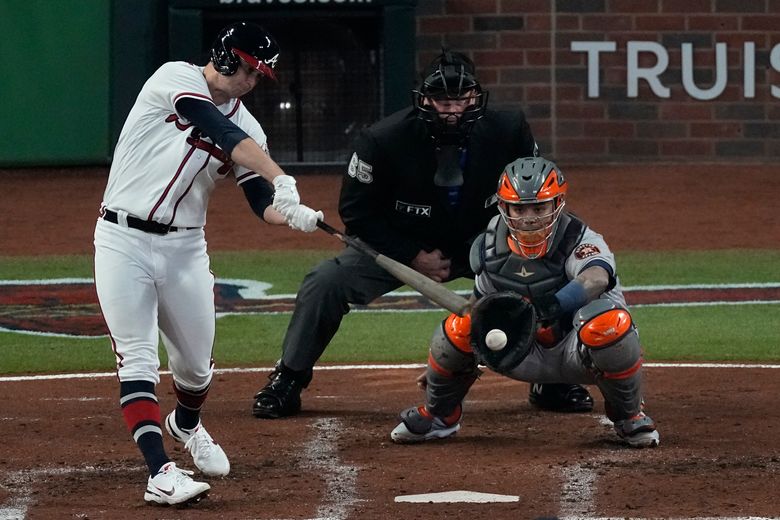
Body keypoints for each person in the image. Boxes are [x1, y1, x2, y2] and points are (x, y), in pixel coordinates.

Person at [251, 49, 591, 419]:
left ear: (475, 97)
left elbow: (533, 197)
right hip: (399, 244)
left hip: (486, 240)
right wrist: (413, 254)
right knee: (326, 281)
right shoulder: (382, 140)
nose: (452, 110)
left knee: (550, 272)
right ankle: (289, 376)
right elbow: (356, 213)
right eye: (443, 100)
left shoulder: (508, 130)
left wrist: (499, 251)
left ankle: (552, 379)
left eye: (461, 99)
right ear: (425, 99)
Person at [94, 22, 322, 506]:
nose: (253, 81)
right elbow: (214, 126)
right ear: (225, 58)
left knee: (196, 370)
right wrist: (280, 173)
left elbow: (260, 201)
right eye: (250, 70)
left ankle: (187, 424)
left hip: (184, 250)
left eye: (260, 75)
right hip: (121, 239)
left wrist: (294, 216)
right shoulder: (173, 78)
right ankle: (161, 472)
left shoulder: (252, 129)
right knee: (136, 358)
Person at [390, 156, 660, 448]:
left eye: (539, 207)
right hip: (520, 351)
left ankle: (628, 414)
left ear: (557, 205)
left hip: (579, 353)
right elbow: (479, 307)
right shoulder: (490, 247)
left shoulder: (580, 239)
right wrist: (445, 367)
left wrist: (550, 306)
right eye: (519, 208)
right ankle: (440, 415)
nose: (528, 217)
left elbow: (594, 279)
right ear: (504, 207)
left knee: (608, 324)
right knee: (461, 326)